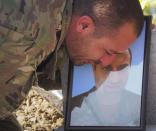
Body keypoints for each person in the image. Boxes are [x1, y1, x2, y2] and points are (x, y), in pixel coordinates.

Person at [0, 0, 144, 130]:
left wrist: (145, 39)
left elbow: (43, 71)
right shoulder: (29, 36)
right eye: (108, 52)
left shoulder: (62, 15)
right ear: (84, 25)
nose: (105, 61)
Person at [71, 49, 141, 126]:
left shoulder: (139, 105)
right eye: (106, 68)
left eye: (122, 68)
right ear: (94, 70)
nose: (115, 79)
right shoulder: (73, 107)